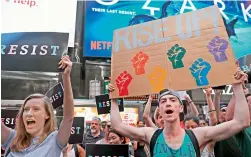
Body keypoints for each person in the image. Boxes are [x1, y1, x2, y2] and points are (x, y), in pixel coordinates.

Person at [109, 69, 250, 157]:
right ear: (160, 111)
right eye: (163, 101)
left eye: (172, 100)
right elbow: (117, 125)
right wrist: (114, 99)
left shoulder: (198, 135)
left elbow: (242, 122)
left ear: (180, 108)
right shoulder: (150, 135)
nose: (168, 103)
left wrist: (237, 86)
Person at [1, 56, 74, 157]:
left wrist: (66, 77)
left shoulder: (54, 140)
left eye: (36, 109)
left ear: (47, 115)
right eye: (26, 110)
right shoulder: (13, 138)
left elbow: (68, 118)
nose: (29, 113)